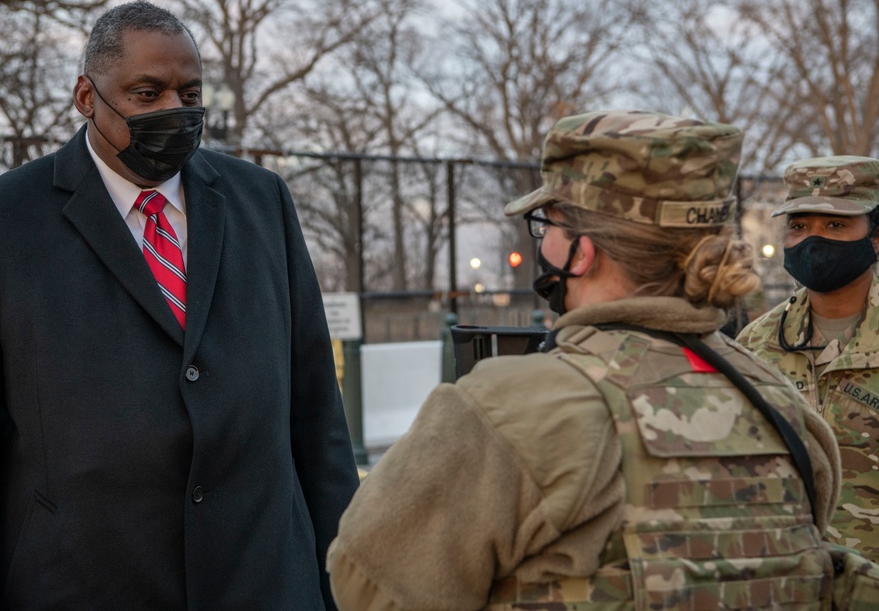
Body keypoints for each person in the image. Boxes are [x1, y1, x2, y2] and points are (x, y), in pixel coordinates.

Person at [0, 0, 359, 609]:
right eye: (148, 94)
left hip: (265, 581)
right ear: (87, 97)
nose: (175, 111)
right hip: (84, 583)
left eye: (190, 93)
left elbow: (316, 418)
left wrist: (352, 588)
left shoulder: (263, 201)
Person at [326, 110, 844, 609]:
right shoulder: (783, 406)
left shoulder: (507, 406)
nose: (543, 242)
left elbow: (367, 585)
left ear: (582, 251)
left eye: (546, 224)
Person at [737, 155, 879, 562]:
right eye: (799, 226)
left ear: (875, 236)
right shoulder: (756, 345)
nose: (813, 241)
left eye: (835, 225)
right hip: (786, 583)